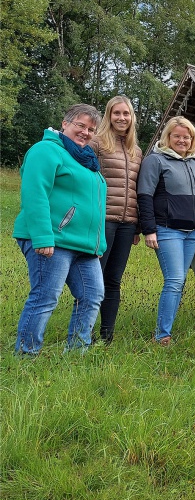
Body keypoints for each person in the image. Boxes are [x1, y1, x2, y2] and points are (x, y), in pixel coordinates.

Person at [14, 104, 106, 355]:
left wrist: (98, 244)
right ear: (64, 124)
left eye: (91, 129)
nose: (85, 132)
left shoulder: (87, 161)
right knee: (46, 296)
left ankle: (77, 352)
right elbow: (35, 194)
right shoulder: (46, 150)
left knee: (92, 295)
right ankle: (25, 355)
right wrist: (43, 237)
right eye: (80, 125)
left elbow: (95, 206)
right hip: (53, 238)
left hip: (83, 245)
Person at [138, 116, 195, 346]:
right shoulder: (155, 160)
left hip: (192, 232)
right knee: (175, 280)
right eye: (177, 136)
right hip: (167, 230)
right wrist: (149, 230)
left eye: (187, 137)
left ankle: (166, 329)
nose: (182, 140)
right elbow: (144, 196)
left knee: (180, 281)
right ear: (167, 136)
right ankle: (162, 335)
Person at [90, 95, 142, 344]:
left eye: (126, 114)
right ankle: (84, 331)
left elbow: (137, 189)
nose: (122, 118)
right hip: (102, 221)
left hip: (127, 223)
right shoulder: (96, 144)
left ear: (132, 118)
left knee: (114, 279)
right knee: (93, 276)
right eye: (117, 113)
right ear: (108, 116)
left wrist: (137, 226)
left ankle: (107, 335)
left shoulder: (136, 151)